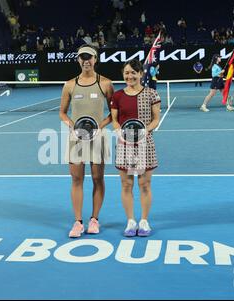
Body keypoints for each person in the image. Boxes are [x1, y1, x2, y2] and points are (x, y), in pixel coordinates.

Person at [59, 44, 114, 238]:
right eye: (82, 57)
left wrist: (100, 126)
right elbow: (62, 113)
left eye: (89, 57)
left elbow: (113, 113)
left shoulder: (106, 83)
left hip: (98, 139)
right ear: (78, 60)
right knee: (76, 179)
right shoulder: (70, 85)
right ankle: (78, 222)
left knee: (98, 179)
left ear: (95, 59)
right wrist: (72, 125)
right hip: (76, 139)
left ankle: (94, 219)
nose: (86, 60)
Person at [110, 59, 161, 237]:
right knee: (126, 184)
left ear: (140, 74)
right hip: (125, 145)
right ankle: (130, 221)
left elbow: (156, 119)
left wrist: (143, 131)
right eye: (126, 72)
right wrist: (118, 132)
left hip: (145, 144)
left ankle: (144, 221)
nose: (129, 76)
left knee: (144, 184)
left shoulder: (152, 94)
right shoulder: (117, 96)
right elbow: (115, 120)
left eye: (133, 72)